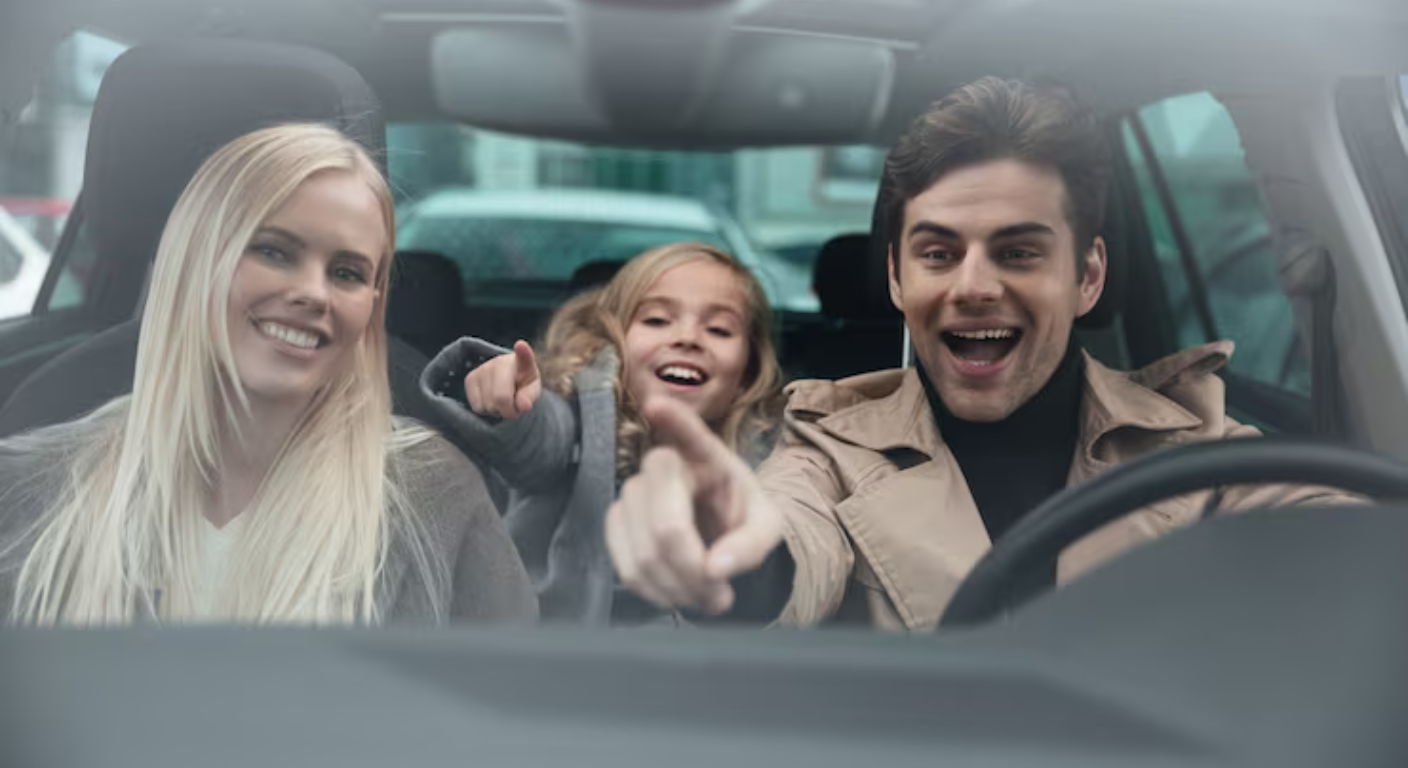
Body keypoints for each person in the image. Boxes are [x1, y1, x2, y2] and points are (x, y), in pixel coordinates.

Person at [603, 77, 1360, 631]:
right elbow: (787, 535)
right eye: (937, 253)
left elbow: (1353, 553)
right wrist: (735, 552)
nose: (972, 287)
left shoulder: (1197, 445)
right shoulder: (823, 445)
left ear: (1087, 276)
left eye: (1019, 252)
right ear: (897, 276)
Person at [0, 124, 536, 626]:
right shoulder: (30, 489)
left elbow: (511, 703)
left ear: (373, 302)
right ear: (196, 258)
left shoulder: (432, 493)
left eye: (347, 272)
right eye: (274, 251)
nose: (313, 292)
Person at [420, 242, 784, 624]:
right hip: (568, 659)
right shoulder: (577, 413)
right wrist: (510, 404)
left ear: (746, 374)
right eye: (657, 320)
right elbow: (539, 441)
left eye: (719, 329)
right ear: (614, 344)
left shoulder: (770, 459)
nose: (688, 337)